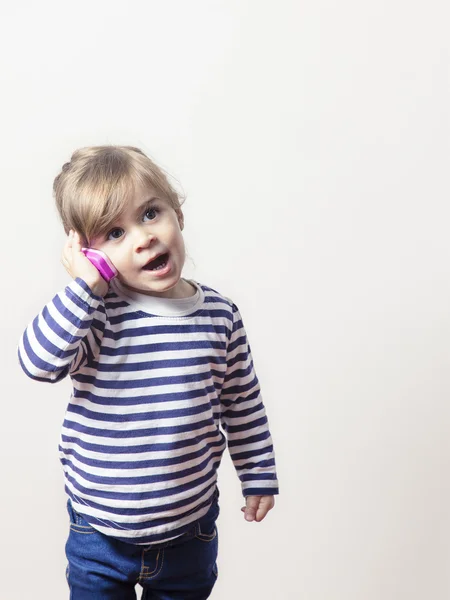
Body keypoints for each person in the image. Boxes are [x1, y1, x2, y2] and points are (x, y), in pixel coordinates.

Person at [18, 145, 279, 600]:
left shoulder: (219, 315)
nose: (142, 238)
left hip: (189, 533)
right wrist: (85, 285)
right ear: (85, 251)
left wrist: (257, 472)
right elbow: (39, 363)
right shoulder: (95, 315)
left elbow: (242, 403)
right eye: (115, 233)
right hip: (99, 534)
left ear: (177, 213)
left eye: (151, 213)